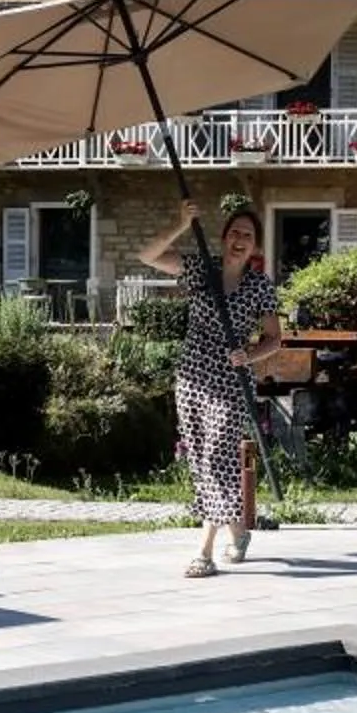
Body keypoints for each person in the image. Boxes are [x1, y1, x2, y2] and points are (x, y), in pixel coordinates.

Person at [139, 204, 285, 577]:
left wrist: (248, 355)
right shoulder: (202, 270)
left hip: (230, 381)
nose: (240, 240)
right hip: (192, 377)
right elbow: (147, 256)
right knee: (203, 461)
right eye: (234, 232)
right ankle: (238, 531)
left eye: (247, 236)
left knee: (217, 456)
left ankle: (203, 553)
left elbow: (274, 339)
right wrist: (181, 223)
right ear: (223, 238)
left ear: (255, 247)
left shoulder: (259, 285)